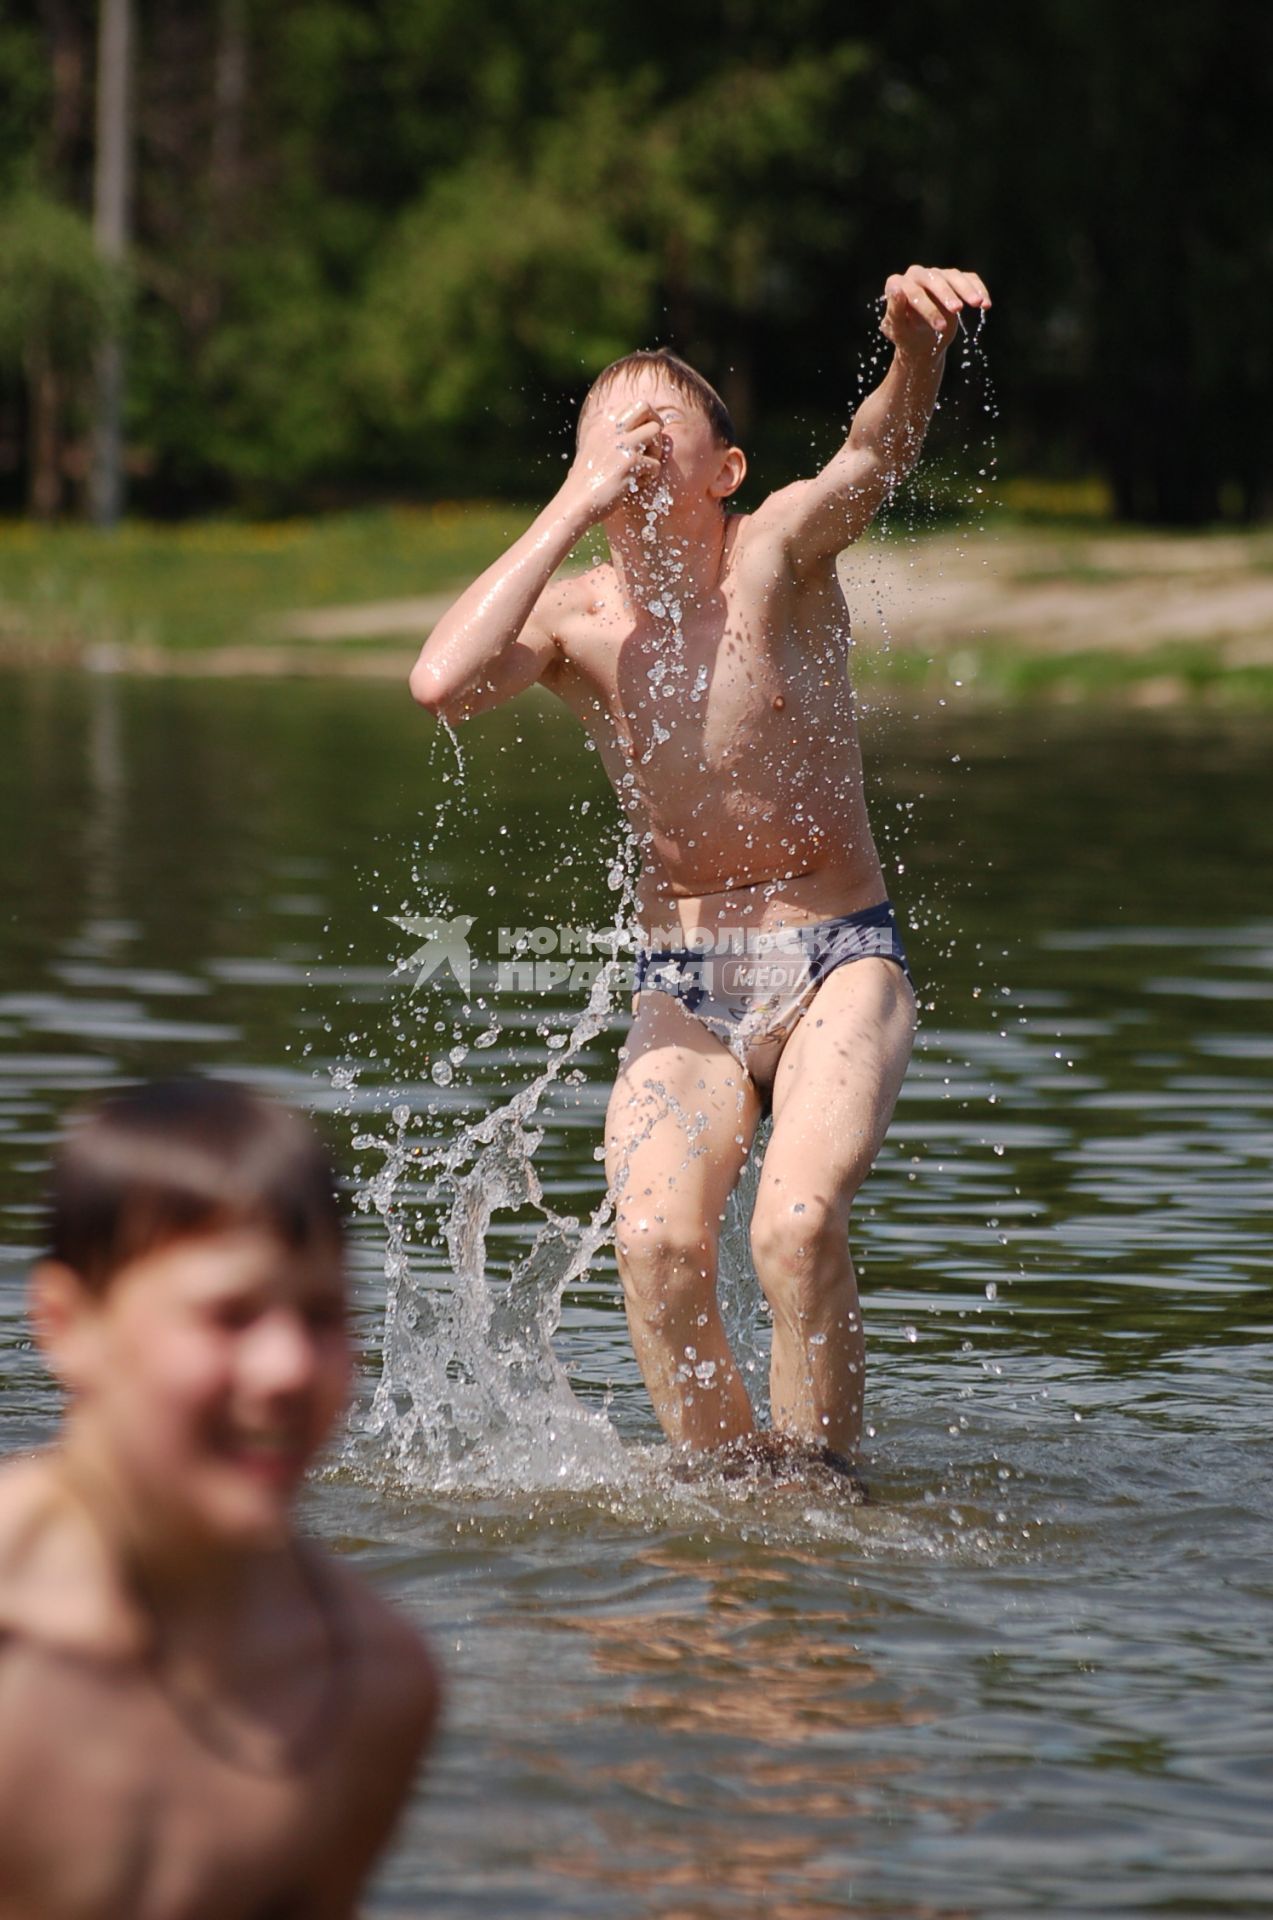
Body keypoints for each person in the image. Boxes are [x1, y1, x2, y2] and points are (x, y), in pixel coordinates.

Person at [410, 265, 991, 1478]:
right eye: (599, 440)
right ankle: (734, 1509)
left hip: (838, 960)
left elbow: (870, 459)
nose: (626, 454)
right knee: (658, 1246)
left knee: (792, 1225)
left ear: (721, 470)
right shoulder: (576, 617)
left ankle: (821, 1507)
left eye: (653, 432)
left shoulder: (774, 551)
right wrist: (570, 505)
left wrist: (916, 353)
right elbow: (439, 683)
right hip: (687, 985)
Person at [0, 1077, 441, 1918]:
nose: (288, 1370)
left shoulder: (370, 1687)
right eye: (228, 1315)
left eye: (320, 1315)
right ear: (65, 1326)